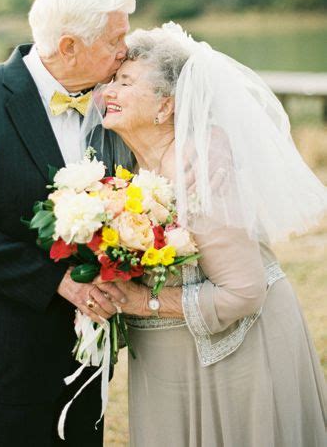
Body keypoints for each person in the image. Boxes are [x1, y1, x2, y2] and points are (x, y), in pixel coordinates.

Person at [93, 23, 327, 446]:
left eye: (125, 82)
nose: (107, 91)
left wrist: (140, 302)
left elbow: (244, 292)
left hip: (240, 353)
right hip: (169, 357)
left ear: (165, 107)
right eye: (111, 80)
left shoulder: (202, 175)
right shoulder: (125, 164)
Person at [0, 0, 136, 447]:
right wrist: (55, 281)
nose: (126, 50)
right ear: (68, 45)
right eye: (116, 39)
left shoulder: (113, 98)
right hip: (9, 348)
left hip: (90, 347)